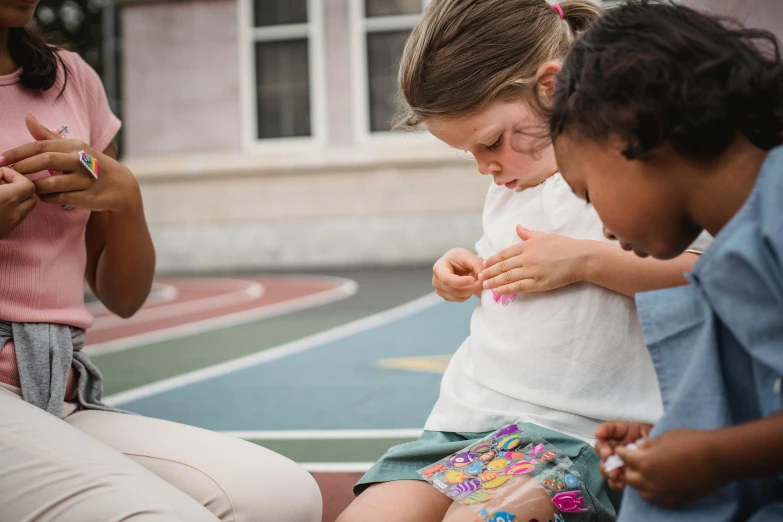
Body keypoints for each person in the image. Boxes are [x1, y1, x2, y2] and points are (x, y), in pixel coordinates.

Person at [338, 1, 708, 521]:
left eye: (490, 142)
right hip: (470, 423)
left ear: (551, 88)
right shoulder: (513, 185)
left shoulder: (640, 163)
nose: (485, 167)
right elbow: (508, 271)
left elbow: (709, 278)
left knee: (480, 517)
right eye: (470, 153)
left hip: (578, 435)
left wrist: (585, 261)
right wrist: (463, 270)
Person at [0, 2, 322, 520]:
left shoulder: (69, 78)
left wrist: (125, 194)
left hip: (56, 391)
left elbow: (124, 299)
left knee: (285, 497)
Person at [546, 1, 783, 520]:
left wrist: (716, 455)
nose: (602, 226)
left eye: (588, 193)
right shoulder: (739, 242)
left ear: (633, 127)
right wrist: (684, 437)